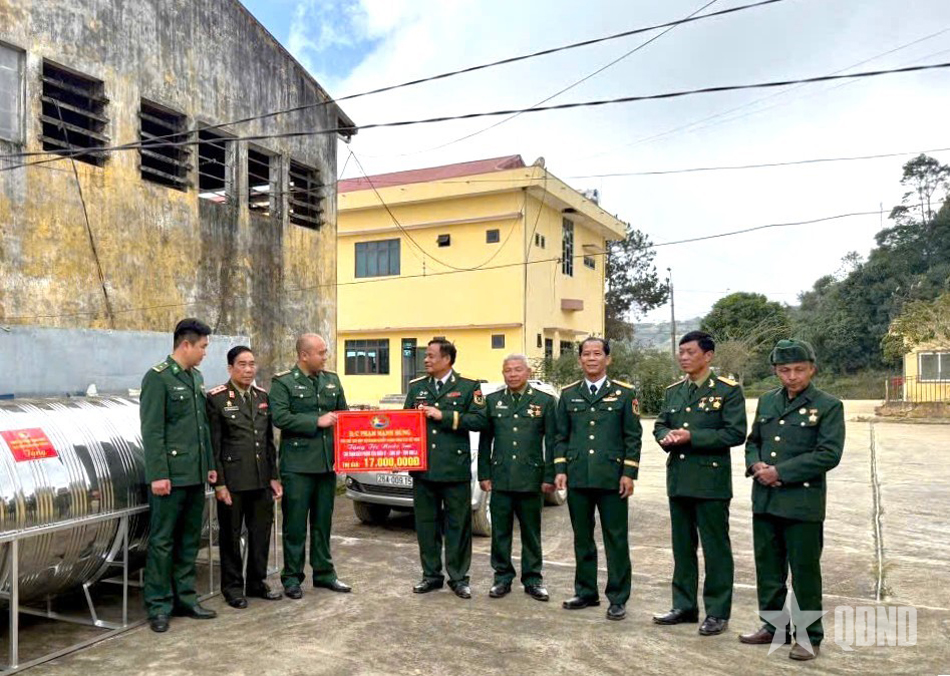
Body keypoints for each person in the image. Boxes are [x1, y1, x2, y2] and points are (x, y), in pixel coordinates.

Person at [739, 339, 845, 661]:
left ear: (812, 369)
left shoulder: (828, 405)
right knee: (769, 569)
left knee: (804, 573)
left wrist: (780, 471)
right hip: (766, 501)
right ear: (775, 371)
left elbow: (829, 454)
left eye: (799, 370)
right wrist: (755, 463)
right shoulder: (767, 402)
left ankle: (809, 636)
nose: (792, 376)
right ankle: (774, 628)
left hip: (802, 503)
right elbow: (752, 441)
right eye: (785, 370)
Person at [653, 331, 746, 636]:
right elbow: (660, 423)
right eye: (681, 352)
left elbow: (735, 433)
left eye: (690, 352)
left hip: (710, 481)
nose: (683, 357)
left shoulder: (728, 391)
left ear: (708, 356)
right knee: (682, 547)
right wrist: (664, 437)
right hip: (679, 479)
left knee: (715, 548)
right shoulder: (674, 390)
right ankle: (684, 606)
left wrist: (694, 437)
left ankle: (718, 612)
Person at [554, 337, 641, 621]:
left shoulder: (625, 394)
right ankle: (585, 591)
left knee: (616, 539)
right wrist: (560, 469)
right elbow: (560, 437)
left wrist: (629, 473)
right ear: (579, 360)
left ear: (608, 359)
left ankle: (617, 597)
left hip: (612, 478)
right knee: (582, 538)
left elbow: (633, 436)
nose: (592, 359)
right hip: (579, 477)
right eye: (586, 354)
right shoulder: (568, 395)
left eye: (597, 354)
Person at [140, 318, 218, 633]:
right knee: (162, 542)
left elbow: (202, 429)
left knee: (188, 541)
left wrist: (209, 464)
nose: (204, 353)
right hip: (169, 477)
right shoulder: (157, 379)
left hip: (194, 474)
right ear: (185, 344)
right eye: (202, 347)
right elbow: (153, 430)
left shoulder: (195, 377)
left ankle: (185, 598)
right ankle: (159, 605)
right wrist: (158, 474)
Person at [403, 338, 487, 599]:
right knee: (426, 525)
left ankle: (459, 578)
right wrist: (399, 455)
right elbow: (405, 424)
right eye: (425, 356)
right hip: (424, 470)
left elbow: (480, 420)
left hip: (454, 469)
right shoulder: (417, 388)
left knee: (457, 526)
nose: (425, 360)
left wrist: (445, 416)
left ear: (447, 359)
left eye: (430, 356)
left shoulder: (469, 387)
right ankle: (431, 575)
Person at [269, 334, 351, 599]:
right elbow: (280, 417)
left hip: (327, 465)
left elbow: (344, 416)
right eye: (321, 352)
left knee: (323, 523)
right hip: (298, 466)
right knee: (294, 526)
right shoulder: (283, 383)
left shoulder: (332, 380)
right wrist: (317, 421)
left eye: (325, 352)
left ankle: (325, 574)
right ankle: (292, 578)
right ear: (304, 355)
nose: (325, 357)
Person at [206, 346, 283, 609]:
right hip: (233, 482)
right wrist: (220, 484)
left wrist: (274, 477)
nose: (248, 369)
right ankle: (233, 588)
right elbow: (214, 445)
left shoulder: (262, 396)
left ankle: (257, 582)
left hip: (261, 480)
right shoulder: (216, 399)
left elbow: (268, 442)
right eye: (242, 364)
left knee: (261, 533)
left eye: (252, 364)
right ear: (230, 368)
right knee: (230, 536)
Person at [477, 354, 556, 602]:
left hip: (531, 477)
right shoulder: (492, 401)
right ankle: (502, 578)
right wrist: (484, 473)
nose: (512, 374)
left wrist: (549, 475)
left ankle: (533, 579)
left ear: (528, 372)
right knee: (501, 531)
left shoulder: (544, 401)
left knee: (531, 531)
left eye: (517, 370)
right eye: (508, 370)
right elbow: (484, 442)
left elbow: (552, 442)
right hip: (500, 477)